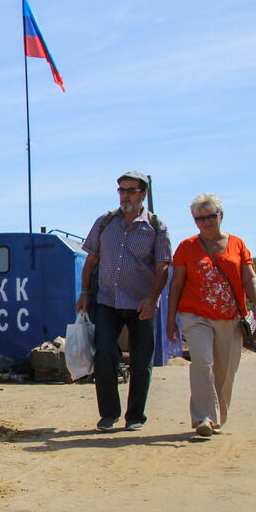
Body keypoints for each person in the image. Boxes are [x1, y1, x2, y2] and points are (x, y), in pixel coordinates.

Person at [75, 172, 172, 432]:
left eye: (130, 190)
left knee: (141, 360)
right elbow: (91, 260)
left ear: (143, 194)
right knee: (105, 353)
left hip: (142, 304)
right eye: (121, 190)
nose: (125, 195)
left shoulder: (156, 227)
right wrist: (84, 293)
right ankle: (109, 414)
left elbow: (163, 266)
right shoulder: (104, 223)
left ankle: (135, 416)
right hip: (107, 300)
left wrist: (152, 298)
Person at [165, 193, 256, 437]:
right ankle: (203, 418)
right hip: (195, 315)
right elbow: (176, 284)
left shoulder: (237, 245)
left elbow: (249, 277)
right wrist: (171, 319)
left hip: (231, 317)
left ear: (221, 216)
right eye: (199, 218)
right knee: (202, 364)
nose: (206, 222)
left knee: (225, 371)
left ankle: (217, 417)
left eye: (211, 216)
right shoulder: (186, 247)